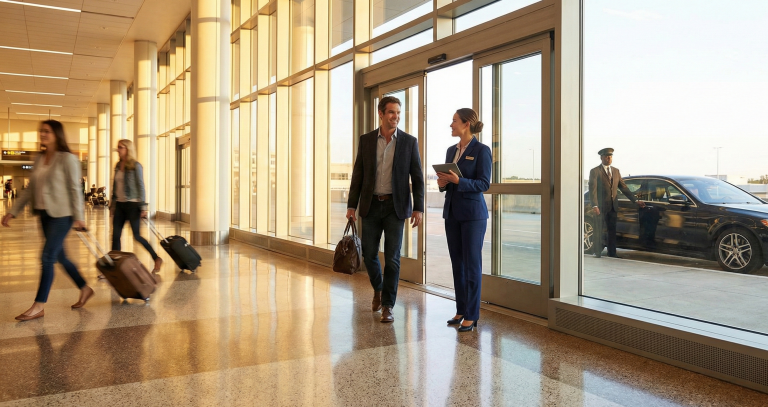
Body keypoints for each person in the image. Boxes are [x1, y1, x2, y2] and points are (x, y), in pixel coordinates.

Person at [1, 120, 94, 321]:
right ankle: (85, 288)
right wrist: (13, 211)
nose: (42, 134)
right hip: (44, 214)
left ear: (57, 134)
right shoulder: (40, 158)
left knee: (47, 257)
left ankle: (39, 305)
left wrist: (79, 217)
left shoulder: (67, 159)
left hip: (63, 215)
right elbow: (30, 189)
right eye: (41, 131)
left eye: (47, 131)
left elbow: (74, 189)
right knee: (60, 257)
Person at [346, 95, 425, 323]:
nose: (396, 117)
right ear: (380, 114)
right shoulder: (367, 140)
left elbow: (418, 177)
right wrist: (352, 204)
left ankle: (388, 305)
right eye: (391, 112)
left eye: (398, 113)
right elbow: (358, 174)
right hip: (371, 206)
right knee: (369, 254)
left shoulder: (409, 142)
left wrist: (418, 208)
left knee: (392, 258)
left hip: (395, 207)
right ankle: (378, 289)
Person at [436, 108, 492, 333]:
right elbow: (449, 181)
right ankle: (461, 309)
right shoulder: (451, 150)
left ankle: (472, 314)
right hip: (452, 214)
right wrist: (443, 184)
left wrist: (460, 181)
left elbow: (484, 184)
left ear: (466, 124)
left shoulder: (481, 150)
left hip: (473, 216)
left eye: (454, 121)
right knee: (457, 264)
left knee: (471, 265)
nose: (451, 125)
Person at [110, 139, 163, 273]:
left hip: (133, 205)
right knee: (115, 236)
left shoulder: (135, 166)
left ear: (128, 149)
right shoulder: (117, 165)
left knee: (137, 236)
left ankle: (156, 258)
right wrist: (113, 205)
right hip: (120, 205)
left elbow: (141, 186)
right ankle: (115, 267)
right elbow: (115, 186)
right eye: (118, 147)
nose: (118, 150)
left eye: (121, 147)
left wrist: (143, 207)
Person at [588, 148, 645, 258]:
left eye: (610, 156)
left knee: (612, 230)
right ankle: (597, 252)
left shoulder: (616, 171)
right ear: (601, 158)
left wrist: (635, 200)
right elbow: (593, 190)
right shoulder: (595, 171)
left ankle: (612, 253)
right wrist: (594, 205)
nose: (609, 158)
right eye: (606, 156)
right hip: (600, 206)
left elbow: (624, 188)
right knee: (598, 229)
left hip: (613, 207)